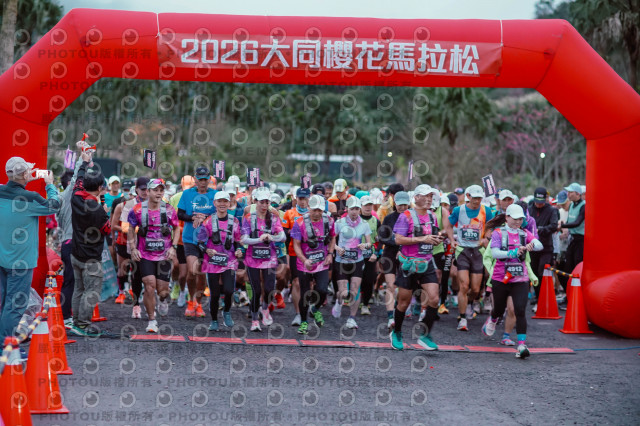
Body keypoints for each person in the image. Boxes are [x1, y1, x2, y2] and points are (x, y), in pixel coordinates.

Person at [0, 157, 60, 340]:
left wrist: (23, 178)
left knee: (4, 303)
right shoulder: (31, 198)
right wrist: (49, 185)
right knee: (15, 306)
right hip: (22, 261)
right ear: (25, 174)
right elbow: (55, 205)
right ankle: (5, 347)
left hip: (2, 258)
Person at [482, 204, 543, 359]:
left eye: (520, 219)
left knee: (520, 310)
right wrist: (514, 252)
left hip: (520, 278)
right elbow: (495, 253)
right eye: (515, 218)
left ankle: (521, 345)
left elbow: (539, 245)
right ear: (507, 217)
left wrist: (531, 245)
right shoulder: (498, 233)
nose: (518, 222)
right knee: (499, 309)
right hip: (500, 278)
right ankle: (493, 318)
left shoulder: (525, 233)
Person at [390, 184, 443, 351]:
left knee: (434, 299)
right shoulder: (405, 216)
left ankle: (425, 335)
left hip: (426, 262)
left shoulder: (432, 216)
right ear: (416, 198)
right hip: (409, 264)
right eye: (425, 196)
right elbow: (398, 239)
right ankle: (396, 332)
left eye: (431, 196)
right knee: (403, 303)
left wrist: (437, 239)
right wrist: (422, 239)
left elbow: (432, 236)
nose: (429, 199)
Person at [128, 179, 180, 333]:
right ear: (148, 192)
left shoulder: (169, 210)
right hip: (145, 254)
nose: (158, 193)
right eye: (155, 190)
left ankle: (163, 299)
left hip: (164, 255)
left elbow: (176, 228)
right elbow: (131, 229)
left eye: (161, 190)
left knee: (162, 290)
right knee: (149, 285)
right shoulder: (137, 209)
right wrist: (133, 248)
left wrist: (174, 247)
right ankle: (152, 320)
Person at [68, 154, 111, 337]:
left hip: (76, 253)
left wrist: (85, 162)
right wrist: (106, 214)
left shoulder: (76, 197)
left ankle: (76, 322)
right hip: (91, 257)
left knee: (79, 289)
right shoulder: (98, 211)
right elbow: (107, 230)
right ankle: (83, 325)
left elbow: (78, 180)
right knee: (91, 291)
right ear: (100, 188)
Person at [447, 184, 494, 331]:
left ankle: (469, 303)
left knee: (475, 289)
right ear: (468, 196)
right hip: (463, 251)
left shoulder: (486, 210)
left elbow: (490, 227)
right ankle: (462, 319)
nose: (477, 201)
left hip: (478, 251)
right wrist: (452, 240)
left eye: (479, 198)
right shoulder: (458, 210)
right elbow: (448, 225)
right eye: (474, 198)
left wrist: (487, 237)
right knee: (464, 285)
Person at [197, 191, 243, 331]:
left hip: (229, 260)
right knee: (215, 293)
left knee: (229, 290)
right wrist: (207, 250)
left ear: (229, 203)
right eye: (220, 201)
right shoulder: (208, 221)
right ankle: (214, 320)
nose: (222, 204)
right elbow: (200, 242)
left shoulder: (234, 221)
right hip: (213, 261)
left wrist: (239, 250)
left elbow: (238, 240)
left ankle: (227, 311)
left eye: (225, 201)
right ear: (215, 203)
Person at [291, 194, 336, 334]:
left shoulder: (329, 221)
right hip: (304, 262)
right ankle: (304, 322)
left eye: (320, 210)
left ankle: (315, 309)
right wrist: (304, 260)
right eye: (314, 209)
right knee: (305, 293)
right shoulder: (299, 223)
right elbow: (296, 244)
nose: (317, 213)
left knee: (322, 290)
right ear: (308, 207)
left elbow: (333, 237)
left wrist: (330, 254)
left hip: (322, 261)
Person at [241, 189, 285, 331]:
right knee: (256, 290)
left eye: (267, 202)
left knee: (269, 288)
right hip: (252, 258)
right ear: (255, 202)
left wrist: (272, 237)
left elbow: (283, 237)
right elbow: (244, 238)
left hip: (269, 257)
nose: (264, 205)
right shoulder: (249, 218)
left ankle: (265, 308)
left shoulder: (274, 218)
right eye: (262, 202)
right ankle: (254, 320)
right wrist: (259, 239)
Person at [177, 166, 217, 318]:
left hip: (208, 240)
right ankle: (190, 300)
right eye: (200, 180)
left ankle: (198, 303)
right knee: (193, 270)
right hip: (190, 238)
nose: (203, 182)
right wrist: (192, 217)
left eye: (205, 180)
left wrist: (205, 218)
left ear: (209, 180)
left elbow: (220, 214)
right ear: (195, 180)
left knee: (202, 274)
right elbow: (180, 214)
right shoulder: (187, 194)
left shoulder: (215, 195)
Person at [332, 196, 372, 330]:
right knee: (343, 293)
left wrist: (365, 245)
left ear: (360, 210)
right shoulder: (339, 223)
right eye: (352, 209)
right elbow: (331, 240)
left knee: (354, 291)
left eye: (357, 209)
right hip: (341, 261)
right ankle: (339, 302)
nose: (354, 212)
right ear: (347, 209)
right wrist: (337, 248)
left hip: (357, 261)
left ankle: (352, 318)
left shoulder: (364, 224)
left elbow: (369, 243)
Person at [117, 177, 149, 318]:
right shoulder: (129, 205)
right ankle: (136, 305)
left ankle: (151, 303)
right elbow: (124, 227)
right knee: (137, 275)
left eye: (148, 189)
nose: (145, 192)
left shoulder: (157, 203)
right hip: (135, 244)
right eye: (143, 189)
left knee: (150, 277)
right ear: (136, 190)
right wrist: (139, 229)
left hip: (153, 245)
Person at [378, 189, 409, 330]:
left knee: (403, 287)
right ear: (394, 203)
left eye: (405, 205)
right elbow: (381, 236)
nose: (402, 207)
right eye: (400, 204)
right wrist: (395, 242)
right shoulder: (389, 218)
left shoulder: (412, 218)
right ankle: (390, 316)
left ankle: (400, 310)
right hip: (390, 254)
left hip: (406, 255)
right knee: (390, 286)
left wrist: (403, 246)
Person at [282, 187, 310, 326]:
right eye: (300, 198)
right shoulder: (289, 213)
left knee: (310, 284)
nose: (303, 201)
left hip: (311, 253)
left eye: (305, 198)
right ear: (295, 198)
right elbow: (284, 235)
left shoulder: (314, 213)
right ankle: (298, 314)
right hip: (294, 253)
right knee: (297, 282)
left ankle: (308, 308)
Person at [528, 187, 558, 303]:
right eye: (537, 202)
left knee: (542, 270)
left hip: (546, 247)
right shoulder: (530, 209)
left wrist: (540, 230)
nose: (539, 204)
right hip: (532, 246)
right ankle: (538, 296)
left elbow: (554, 226)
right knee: (534, 272)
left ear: (546, 199)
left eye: (541, 202)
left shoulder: (551, 210)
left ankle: (545, 296)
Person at [168, 175, 195, 307]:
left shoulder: (198, 198)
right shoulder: (175, 198)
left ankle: (189, 294)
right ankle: (178, 286)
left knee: (192, 271)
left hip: (193, 240)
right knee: (178, 268)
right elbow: (170, 218)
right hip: (178, 239)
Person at [559, 182, 585, 291]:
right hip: (572, 239)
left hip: (581, 241)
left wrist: (562, 225)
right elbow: (569, 222)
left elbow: (577, 223)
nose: (568, 194)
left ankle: (578, 293)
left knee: (577, 266)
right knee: (567, 267)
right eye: (568, 192)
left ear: (578, 194)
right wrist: (564, 230)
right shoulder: (571, 205)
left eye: (570, 192)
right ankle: (569, 293)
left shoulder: (584, 205)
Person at [359, 195, 380, 315]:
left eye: (370, 205)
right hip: (355, 255)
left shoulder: (376, 221)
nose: (368, 207)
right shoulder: (355, 219)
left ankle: (365, 304)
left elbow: (380, 239)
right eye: (365, 205)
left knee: (369, 279)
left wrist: (376, 253)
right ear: (360, 207)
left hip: (370, 255)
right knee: (356, 279)